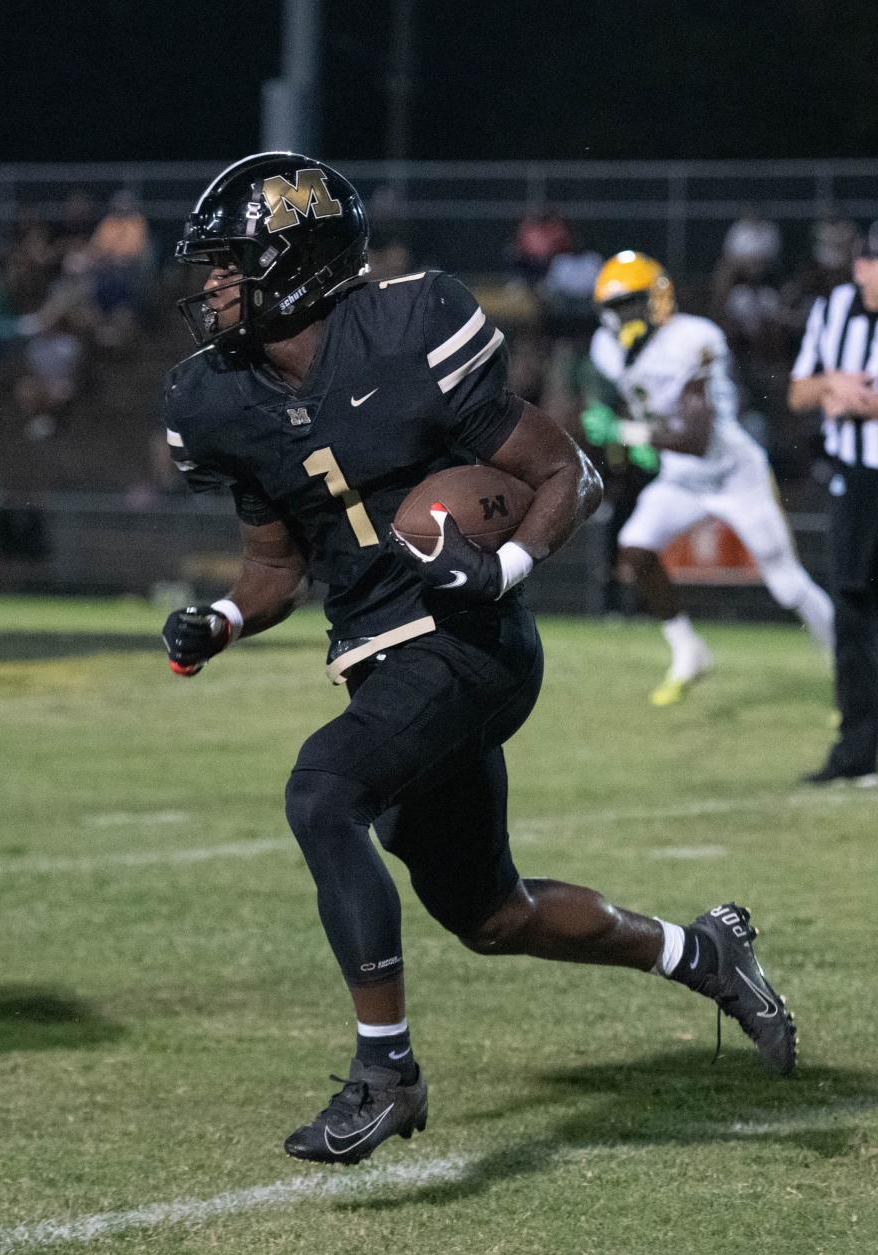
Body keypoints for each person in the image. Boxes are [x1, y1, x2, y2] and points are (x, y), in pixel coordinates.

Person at [160, 154, 796, 1166]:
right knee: (489, 913)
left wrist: (498, 566)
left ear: (296, 261)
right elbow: (275, 565)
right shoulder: (220, 401)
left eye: (232, 265)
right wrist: (225, 620)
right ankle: (702, 951)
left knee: (323, 791)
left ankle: (386, 1072)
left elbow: (566, 471)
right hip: (380, 658)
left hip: (471, 639)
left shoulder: (407, 332)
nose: (211, 287)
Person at [581, 250, 834, 706]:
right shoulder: (606, 348)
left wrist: (626, 431)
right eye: (615, 309)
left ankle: (848, 670)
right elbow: (628, 405)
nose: (623, 318)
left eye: (631, 304)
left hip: (733, 474)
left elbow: (695, 437)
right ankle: (688, 650)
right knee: (634, 550)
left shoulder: (694, 339)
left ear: (657, 300)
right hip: (680, 480)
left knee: (787, 584)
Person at [788, 221, 878, 786]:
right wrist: (829, 387)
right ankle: (856, 750)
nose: (866, 275)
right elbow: (797, 392)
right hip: (855, 479)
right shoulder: (835, 308)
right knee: (850, 613)